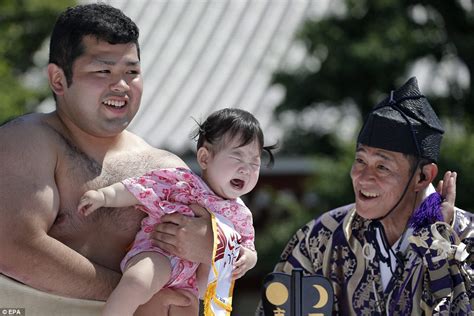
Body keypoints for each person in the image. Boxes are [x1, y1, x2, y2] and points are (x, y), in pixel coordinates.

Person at [0, 3, 214, 315]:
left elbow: (204, 278)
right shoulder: (27, 141)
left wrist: (215, 246)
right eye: (103, 71)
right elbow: (14, 246)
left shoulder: (166, 170)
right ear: (58, 79)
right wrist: (132, 294)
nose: (122, 85)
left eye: (132, 72)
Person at [257, 77, 473, 315]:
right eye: (360, 160)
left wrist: (441, 249)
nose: (363, 177)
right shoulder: (322, 237)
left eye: (382, 167)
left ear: (422, 177)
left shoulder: (467, 240)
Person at [77, 108, 274, 315]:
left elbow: (248, 247)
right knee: (137, 282)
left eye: (255, 163)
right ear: (205, 158)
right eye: (237, 157)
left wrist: (248, 260)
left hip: (190, 280)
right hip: (157, 252)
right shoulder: (181, 181)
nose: (247, 169)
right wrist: (104, 196)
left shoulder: (240, 213)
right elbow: (138, 188)